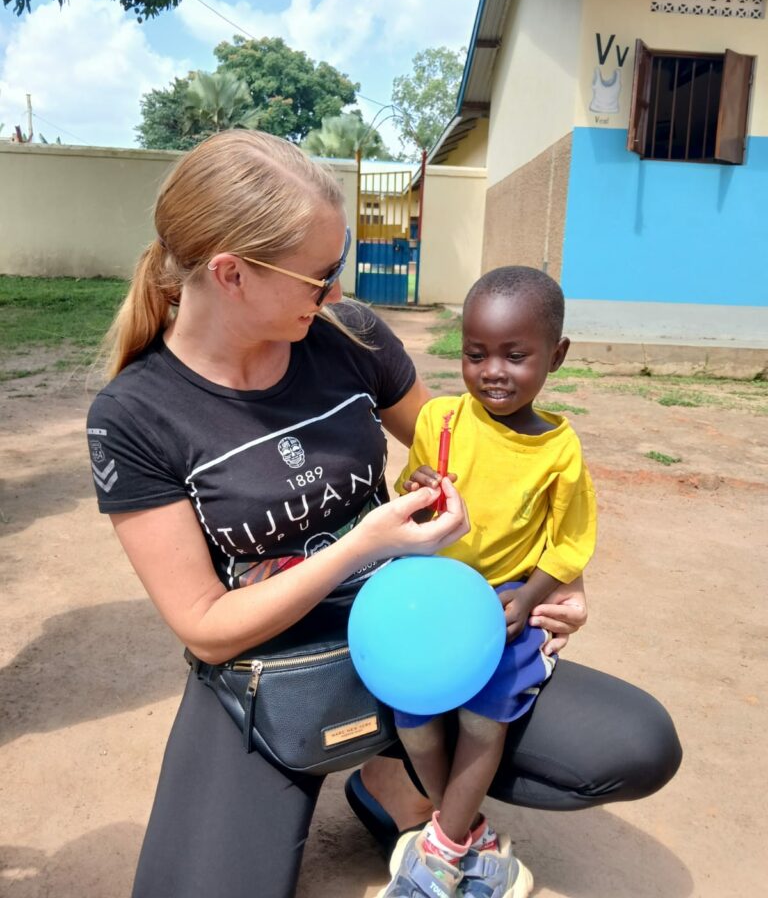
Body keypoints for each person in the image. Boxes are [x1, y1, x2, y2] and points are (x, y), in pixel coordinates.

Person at [85, 130, 681, 898]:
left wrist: (550, 576)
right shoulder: (136, 414)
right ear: (231, 274)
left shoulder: (347, 336)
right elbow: (204, 622)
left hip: (416, 631)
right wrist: (357, 545)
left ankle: (389, 777)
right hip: (271, 674)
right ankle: (382, 772)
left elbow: (466, 461)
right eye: (318, 275)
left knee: (635, 744)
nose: (336, 293)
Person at [379, 267, 596, 898]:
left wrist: (529, 598)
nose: (493, 371)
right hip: (432, 601)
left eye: (516, 355)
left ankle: (436, 858)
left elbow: (572, 541)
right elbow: (407, 501)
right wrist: (416, 491)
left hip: (506, 605)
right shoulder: (441, 423)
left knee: (482, 722)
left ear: (556, 356)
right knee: (414, 719)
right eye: (476, 354)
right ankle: (468, 833)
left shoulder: (559, 449)